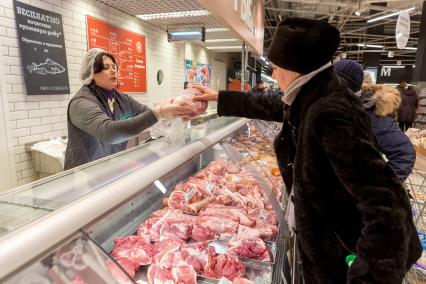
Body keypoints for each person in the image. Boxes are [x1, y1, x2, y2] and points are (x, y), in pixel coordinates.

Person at [192, 17, 421, 283]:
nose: (274, 75)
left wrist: (365, 276)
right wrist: (220, 98)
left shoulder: (330, 112)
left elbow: (386, 202)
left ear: (294, 71)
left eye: (276, 68)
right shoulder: (315, 94)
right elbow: (276, 106)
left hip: (341, 251)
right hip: (329, 244)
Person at [65, 48, 194, 170]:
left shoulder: (122, 99)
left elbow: (147, 114)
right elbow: (110, 132)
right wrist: (158, 112)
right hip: (84, 175)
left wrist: (176, 109)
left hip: (109, 170)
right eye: (106, 68)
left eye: (114, 67)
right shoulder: (81, 103)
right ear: (91, 73)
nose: (113, 71)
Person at [335, 59, 416, 181]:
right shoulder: (330, 106)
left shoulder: (371, 115)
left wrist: (378, 188)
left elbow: (404, 153)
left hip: (351, 192)